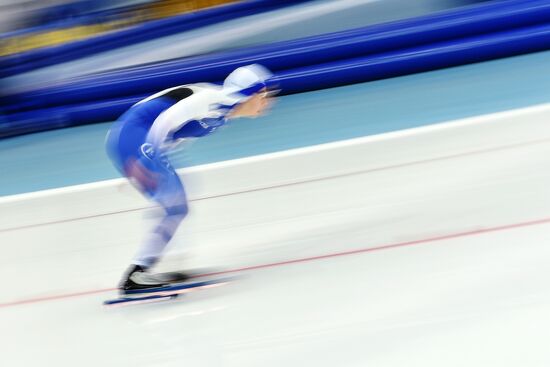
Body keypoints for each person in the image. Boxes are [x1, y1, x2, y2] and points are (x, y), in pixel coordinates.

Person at [105, 64, 276, 293]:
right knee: (175, 202)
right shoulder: (210, 99)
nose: (269, 102)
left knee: (177, 202)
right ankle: (136, 275)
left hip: (136, 142)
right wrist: (145, 159)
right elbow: (165, 121)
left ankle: (160, 267)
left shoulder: (222, 117)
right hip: (133, 135)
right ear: (247, 93)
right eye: (263, 95)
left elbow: (177, 134)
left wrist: (141, 164)